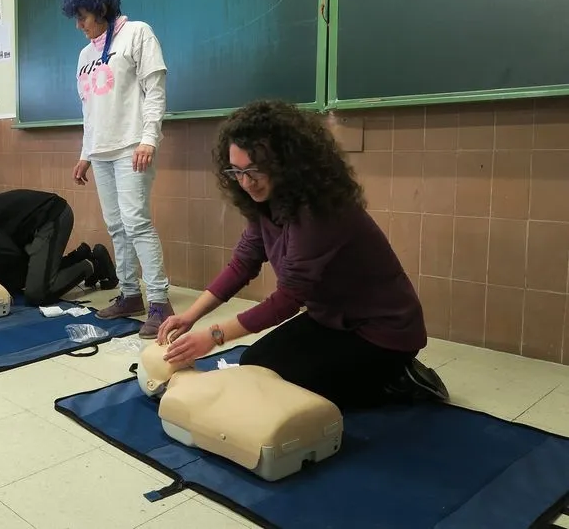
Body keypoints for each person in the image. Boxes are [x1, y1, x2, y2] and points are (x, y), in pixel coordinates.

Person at [157, 100, 449, 410]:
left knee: (296, 391)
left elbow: (286, 300)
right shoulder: (267, 203)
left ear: (287, 164)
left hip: (383, 333)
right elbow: (243, 263)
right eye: (236, 172)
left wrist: (214, 335)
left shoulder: (319, 212)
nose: (245, 182)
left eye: (254, 171)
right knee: (256, 365)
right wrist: (190, 316)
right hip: (330, 321)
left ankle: (398, 380)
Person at [61, 0, 174, 338]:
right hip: (102, 150)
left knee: (136, 221)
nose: (79, 25)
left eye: (83, 17)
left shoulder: (137, 33)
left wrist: (149, 139)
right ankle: (129, 295)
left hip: (132, 146)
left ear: (101, 8)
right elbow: (89, 111)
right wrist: (85, 154)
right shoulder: (85, 55)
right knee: (117, 226)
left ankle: (159, 301)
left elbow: (155, 90)